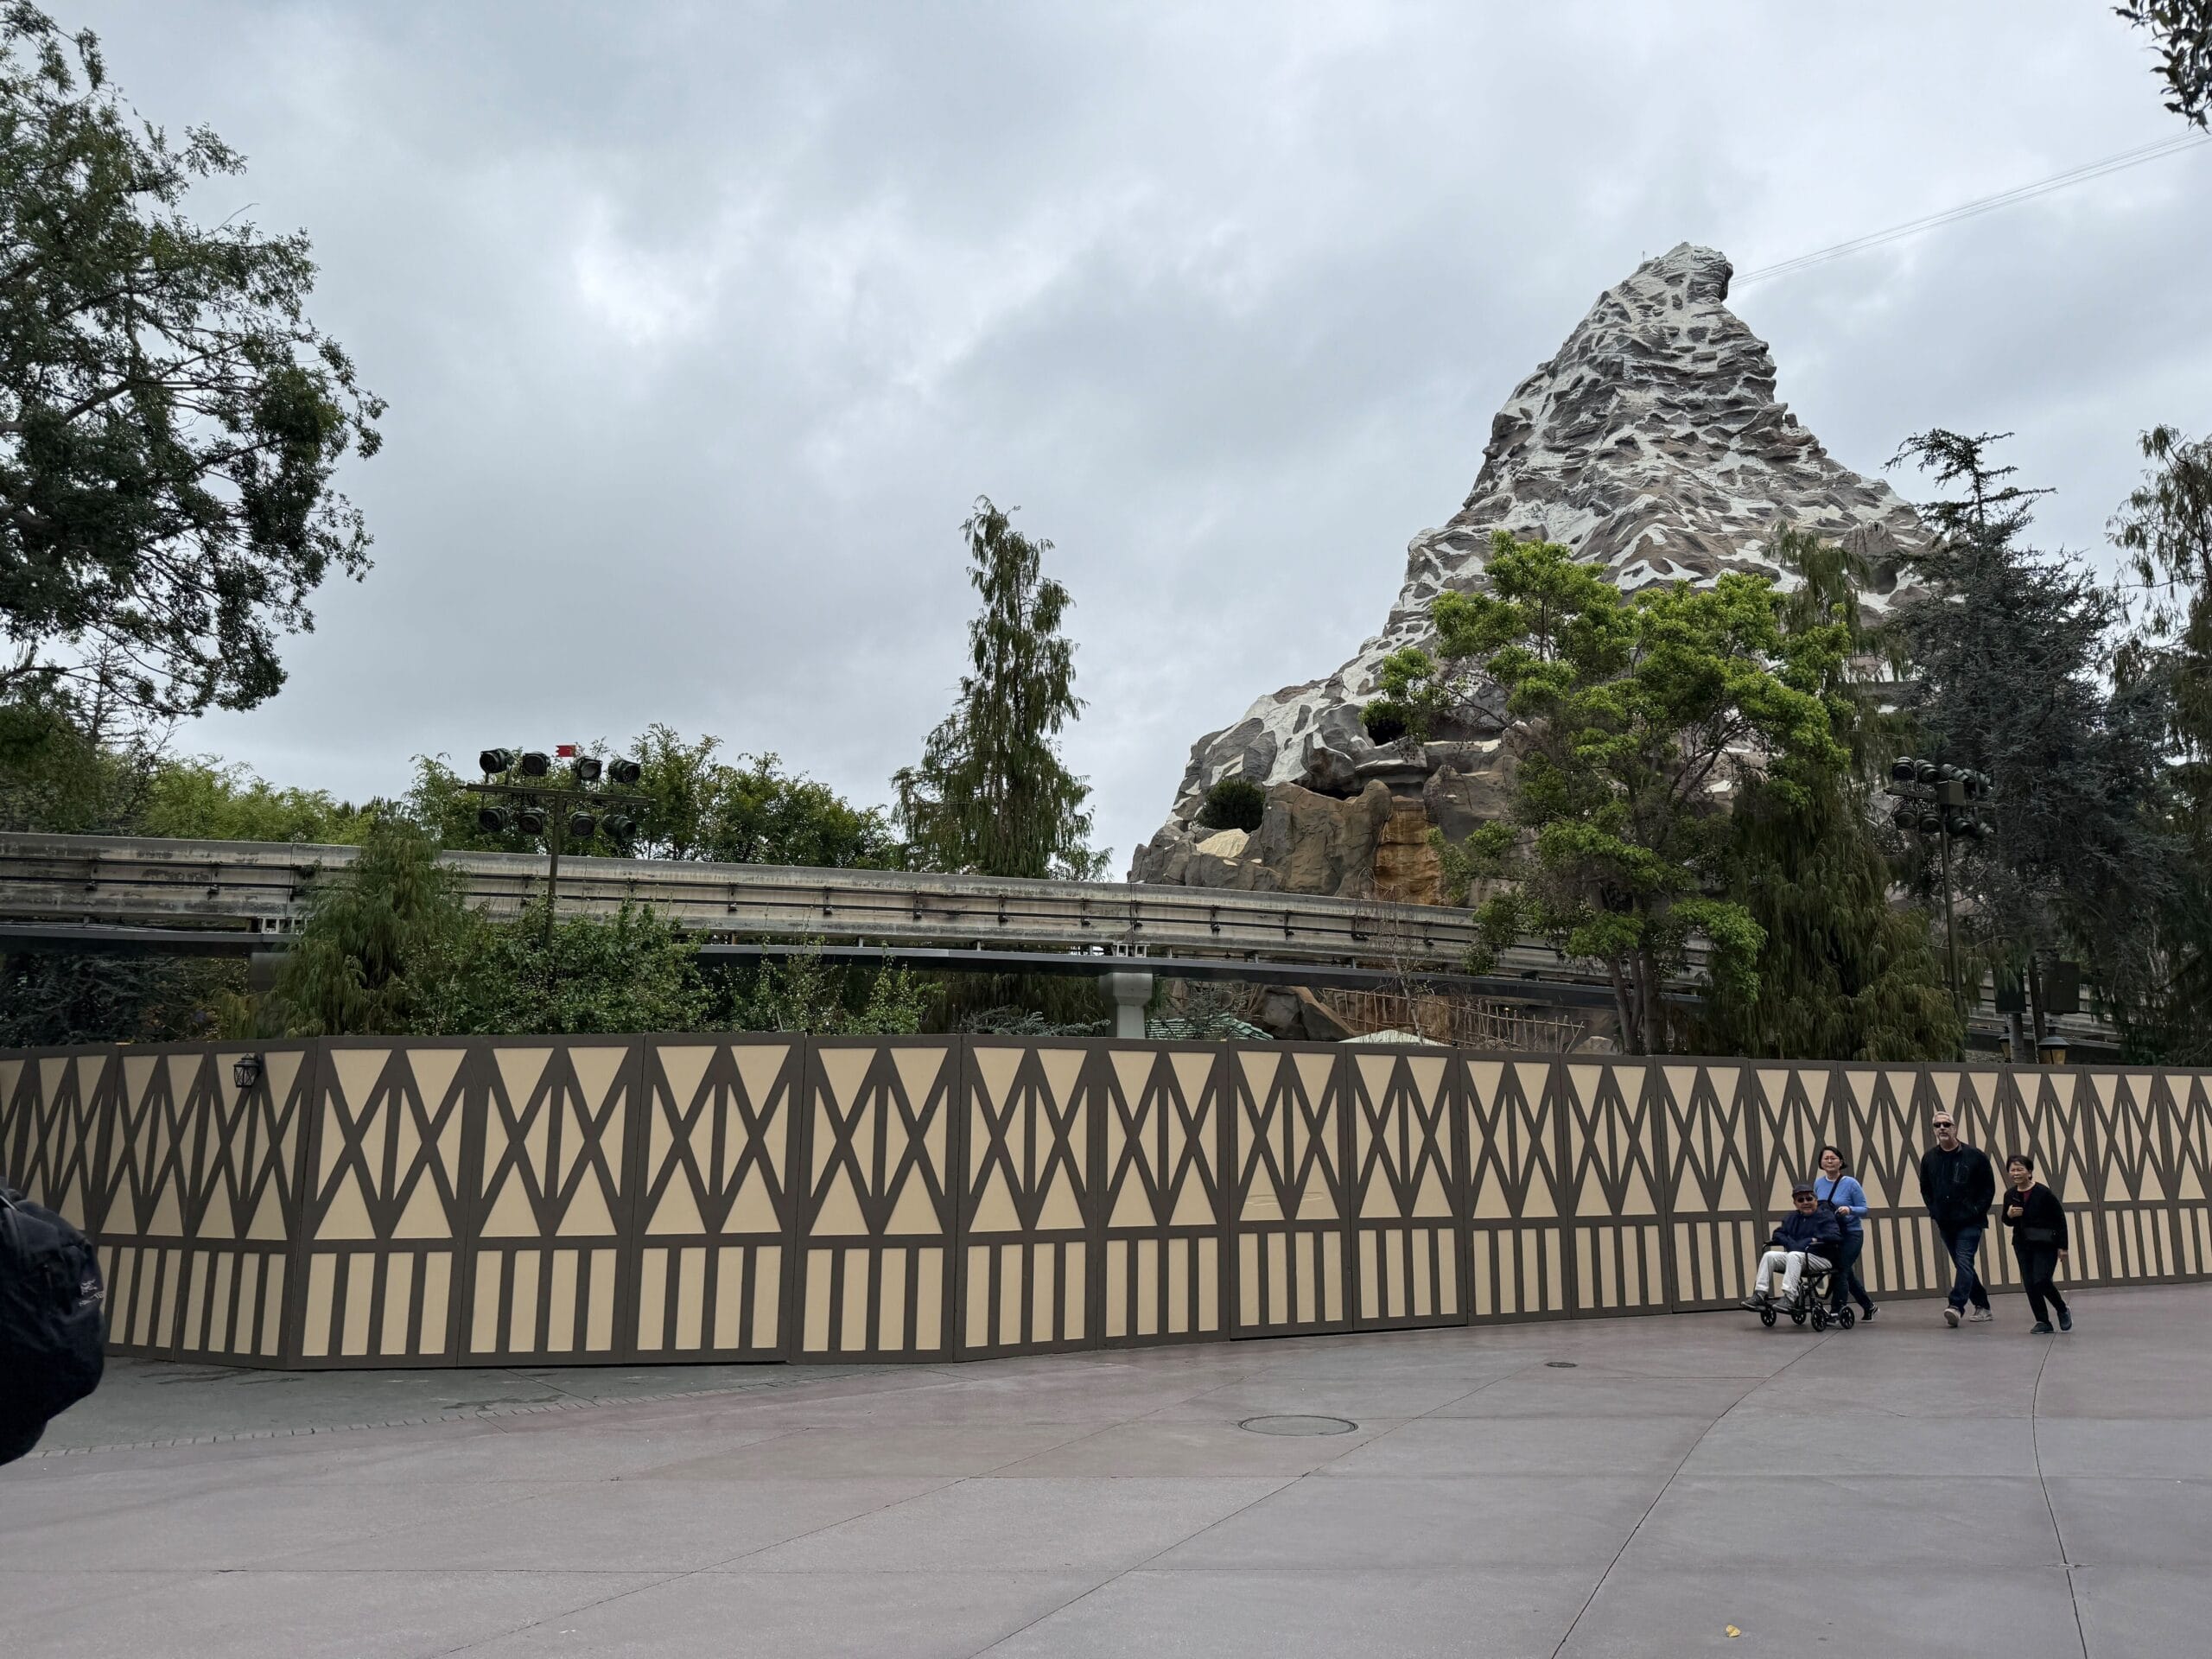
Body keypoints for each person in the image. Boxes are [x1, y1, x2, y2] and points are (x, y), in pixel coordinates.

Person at [1917, 1109, 1997, 1328]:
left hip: (1970, 1222)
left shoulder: (1975, 1156)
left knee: (1963, 1261)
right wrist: (1935, 1211)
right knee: (1964, 1265)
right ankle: (1983, 1306)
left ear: (1955, 1128)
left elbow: (1988, 1189)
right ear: (1934, 1130)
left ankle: (1956, 1306)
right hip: (1946, 1222)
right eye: (1937, 1125)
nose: (1942, 1128)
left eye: (1946, 1124)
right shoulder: (1929, 1158)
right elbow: (1926, 1189)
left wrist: (1976, 1211)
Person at [2000, 1154, 2073, 1334]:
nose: (2016, 1173)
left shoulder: (2043, 1192)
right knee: (2030, 1283)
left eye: (2020, 1169)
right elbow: (2006, 1221)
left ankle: (2062, 1309)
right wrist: (2009, 1215)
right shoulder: (2010, 1195)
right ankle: (2042, 1321)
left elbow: (2059, 1219)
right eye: (2012, 1170)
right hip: (2022, 1244)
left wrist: (2063, 1247)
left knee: (2041, 1279)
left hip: (2045, 1244)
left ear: (2029, 1172)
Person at [1741, 1184, 1844, 1310]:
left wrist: (1813, 1239)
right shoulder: (1792, 1217)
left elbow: (1835, 1236)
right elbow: (1778, 1233)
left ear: (1816, 1200)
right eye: (1801, 1200)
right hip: (1797, 1257)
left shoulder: (1825, 1216)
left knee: (1794, 1255)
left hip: (1821, 1259)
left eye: (1809, 1199)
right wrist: (1790, 1243)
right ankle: (1760, 1294)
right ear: (1795, 1203)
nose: (1805, 1202)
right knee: (1769, 1255)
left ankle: (1790, 1297)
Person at [1813, 1145, 1876, 1321]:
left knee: (1840, 1270)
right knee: (1846, 1272)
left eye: (1834, 1158)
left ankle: (1836, 1310)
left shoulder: (1851, 1183)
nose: (1830, 1161)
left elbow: (1864, 1209)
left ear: (1840, 1162)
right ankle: (1868, 1305)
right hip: (1832, 1235)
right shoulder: (1818, 1183)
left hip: (1851, 1234)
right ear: (1821, 1163)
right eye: (1826, 1158)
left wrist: (1849, 1209)